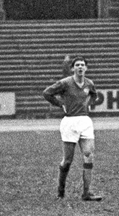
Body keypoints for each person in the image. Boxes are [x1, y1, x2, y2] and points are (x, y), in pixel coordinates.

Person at [43, 56, 104, 201]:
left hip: (85, 122)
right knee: (68, 161)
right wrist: (60, 104)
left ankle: (86, 193)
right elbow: (47, 93)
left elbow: (94, 95)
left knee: (89, 155)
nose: (80, 67)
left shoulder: (89, 83)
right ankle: (61, 190)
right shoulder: (65, 83)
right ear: (72, 68)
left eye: (83, 65)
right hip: (70, 122)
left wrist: (89, 104)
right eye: (77, 65)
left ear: (86, 68)